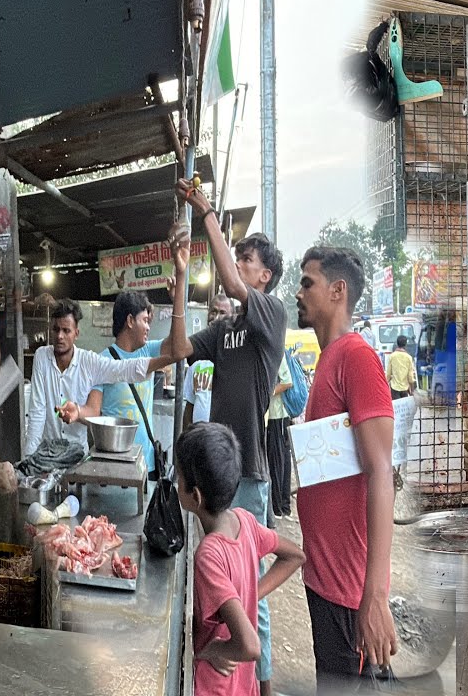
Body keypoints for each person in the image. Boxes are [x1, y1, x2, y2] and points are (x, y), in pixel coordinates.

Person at [170, 179, 287, 696]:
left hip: (249, 474)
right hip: (219, 466)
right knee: (219, 589)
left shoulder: (269, 314)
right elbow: (178, 348)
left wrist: (208, 214)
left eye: (247, 260)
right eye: (236, 258)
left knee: (250, 600)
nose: (238, 266)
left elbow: (236, 289)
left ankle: (259, 686)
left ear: (266, 275)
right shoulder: (226, 329)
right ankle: (220, 675)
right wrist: (178, 282)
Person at [295, 246, 398, 693]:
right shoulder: (327, 362)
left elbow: (381, 472)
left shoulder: (357, 358)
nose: (298, 293)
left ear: (337, 291)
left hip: (347, 591)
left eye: (307, 283)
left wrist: (373, 596)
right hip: (324, 578)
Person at [178, 422, 304, 696]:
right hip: (243, 685)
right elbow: (295, 556)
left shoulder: (209, 555)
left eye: (179, 478)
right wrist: (247, 596)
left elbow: (249, 645)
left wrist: (212, 650)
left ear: (195, 496)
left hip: (216, 686)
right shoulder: (244, 521)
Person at [23, 285, 186, 470]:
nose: (60, 336)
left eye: (66, 330)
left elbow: (125, 368)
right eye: (56, 329)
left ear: (76, 333)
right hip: (59, 457)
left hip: (109, 458)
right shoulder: (43, 357)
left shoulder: (93, 361)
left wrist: (178, 302)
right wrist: (30, 459)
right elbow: (38, 411)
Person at [91, 291, 167, 473]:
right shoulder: (102, 362)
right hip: (115, 467)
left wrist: (178, 297)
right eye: (145, 321)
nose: (149, 327)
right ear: (130, 321)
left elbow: (178, 348)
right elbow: (93, 412)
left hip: (147, 463)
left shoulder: (149, 351)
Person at [183, 293, 235, 425]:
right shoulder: (196, 354)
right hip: (200, 439)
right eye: (213, 311)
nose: (216, 317)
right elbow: (190, 405)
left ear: (233, 317)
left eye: (223, 313)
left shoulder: (236, 355)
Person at [265, 356, 294, 521]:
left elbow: (287, 382)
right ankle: (283, 506)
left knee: (277, 461)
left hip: (278, 414)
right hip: (280, 415)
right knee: (282, 460)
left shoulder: (278, 354)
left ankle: (279, 507)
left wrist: (267, 393)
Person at [385, 335, 416, 401]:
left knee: (396, 409)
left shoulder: (392, 356)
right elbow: (410, 376)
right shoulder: (409, 357)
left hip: (394, 388)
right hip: (405, 389)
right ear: (405, 344)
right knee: (404, 409)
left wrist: (385, 386)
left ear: (397, 343)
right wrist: (412, 391)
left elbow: (388, 374)